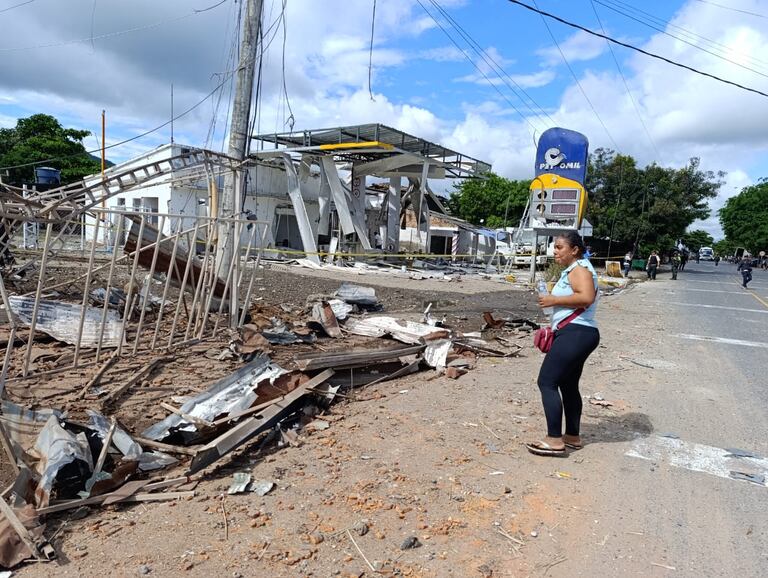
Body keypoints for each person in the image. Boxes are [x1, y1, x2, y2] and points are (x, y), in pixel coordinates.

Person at [525, 231, 600, 457]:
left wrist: (553, 299)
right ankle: (572, 436)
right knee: (568, 385)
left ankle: (554, 439)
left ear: (574, 249)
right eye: (554, 247)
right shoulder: (575, 269)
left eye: (559, 247)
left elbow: (586, 297)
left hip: (576, 333)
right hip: (579, 333)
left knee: (546, 382)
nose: (554, 251)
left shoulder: (580, 269)